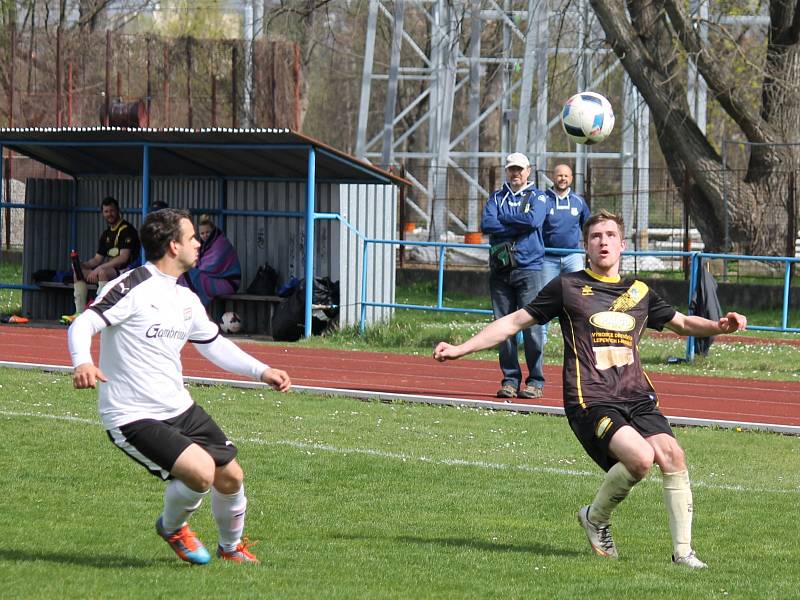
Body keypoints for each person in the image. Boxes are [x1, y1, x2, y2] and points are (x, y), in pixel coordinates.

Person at [434, 209, 747, 568]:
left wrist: (720, 326)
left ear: (623, 245)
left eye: (610, 235)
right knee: (641, 458)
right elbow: (515, 321)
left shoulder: (639, 292)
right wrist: (460, 349)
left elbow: (683, 323)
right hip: (591, 398)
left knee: (673, 456)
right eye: (596, 236)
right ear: (585, 246)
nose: (603, 242)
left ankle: (683, 554)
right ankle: (595, 518)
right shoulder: (567, 288)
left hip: (637, 396)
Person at [67, 208, 291, 565]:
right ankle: (172, 527)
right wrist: (82, 360)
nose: (199, 243)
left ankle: (230, 548)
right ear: (173, 246)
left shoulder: (185, 297)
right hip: (132, 414)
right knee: (202, 473)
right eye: (192, 238)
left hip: (179, 408)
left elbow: (214, 344)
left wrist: (261, 371)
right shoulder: (131, 286)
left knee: (231, 475)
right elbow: (82, 325)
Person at [480, 152, 548, 400]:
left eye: (520, 169)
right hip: (500, 270)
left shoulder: (539, 196)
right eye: (511, 169)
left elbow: (533, 220)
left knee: (532, 328)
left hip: (529, 268)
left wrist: (505, 219)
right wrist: (515, 223)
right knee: (503, 328)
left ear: (528, 170)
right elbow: (487, 224)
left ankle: (535, 381)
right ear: (506, 171)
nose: (515, 173)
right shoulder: (497, 197)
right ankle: (510, 380)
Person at [63, 196, 141, 324]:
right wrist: (81, 264)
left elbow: (123, 257)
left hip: (126, 272)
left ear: (118, 211)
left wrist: (100, 268)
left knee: (102, 272)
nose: (109, 214)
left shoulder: (127, 230)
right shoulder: (106, 234)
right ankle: (79, 313)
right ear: (102, 213)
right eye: (106, 211)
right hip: (107, 270)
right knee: (79, 273)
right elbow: (96, 259)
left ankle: (99, 313)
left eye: (112, 211)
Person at [178, 215, 242, 308]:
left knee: (194, 278)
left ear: (213, 230)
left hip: (229, 282)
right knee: (185, 275)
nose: (205, 235)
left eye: (208, 232)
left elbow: (208, 267)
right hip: (216, 279)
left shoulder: (220, 244)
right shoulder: (205, 244)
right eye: (202, 233)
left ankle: (193, 309)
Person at [542, 164, 591, 281]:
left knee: (577, 293)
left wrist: (590, 251)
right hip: (548, 258)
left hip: (573, 256)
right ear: (553, 177)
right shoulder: (543, 199)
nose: (563, 178)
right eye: (559, 175)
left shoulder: (579, 201)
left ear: (571, 178)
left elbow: (588, 228)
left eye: (566, 176)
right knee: (546, 295)